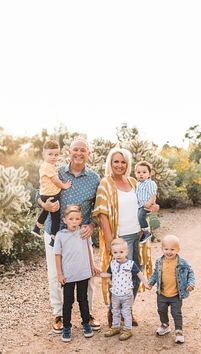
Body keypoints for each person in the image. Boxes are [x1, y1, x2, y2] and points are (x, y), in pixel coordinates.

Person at [38, 138, 101, 334]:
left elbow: (98, 208)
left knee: (88, 273)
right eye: (76, 149)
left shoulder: (94, 178)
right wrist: (44, 205)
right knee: (56, 275)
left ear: (88, 153)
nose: (79, 153)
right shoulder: (55, 170)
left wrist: (92, 224)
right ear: (69, 152)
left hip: (81, 234)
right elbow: (38, 192)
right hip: (55, 232)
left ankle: (87, 313)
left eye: (83, 150)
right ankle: (58, 314)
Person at [93, 147, 158, 327]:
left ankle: (127, 310)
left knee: (137, 274)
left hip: (139, 235)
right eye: (116, 161)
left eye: (123, 162)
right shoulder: (105, 184)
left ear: (128, 164)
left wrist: (154, 207)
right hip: (121, 238)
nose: (120, 165)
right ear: (110, 163)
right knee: (122, 276)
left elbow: (145, 204)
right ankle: (114, 310)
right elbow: (102, 213)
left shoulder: (133, 182)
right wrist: (110, 240)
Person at [54, 204, 97, 342]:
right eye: (71, 219)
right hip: (68, 276)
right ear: (64, 219)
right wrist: (60, 274)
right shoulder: (60, 235)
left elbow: (89, 250)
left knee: (82, 299)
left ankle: (85, 324)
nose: (74, 221)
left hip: (83, 273)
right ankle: (66, 326)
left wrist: (93, 266)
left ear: (81, 219)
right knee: (68, 302)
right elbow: (57, 255)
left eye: (77, 219)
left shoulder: (84, 231)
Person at [148, 234, 195, 344]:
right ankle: (165, 325)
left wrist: (191, 284)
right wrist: (150, 283)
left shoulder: (182, 263)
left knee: (176, 313)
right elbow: (155, 273)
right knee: (161, 310)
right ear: (162, 249)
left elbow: (191, 273)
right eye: (166, 249)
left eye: (172, 249)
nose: (169, 252)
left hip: (176, 295)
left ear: (178, 249)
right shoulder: (159, 261)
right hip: (162, 293)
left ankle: (179, 331)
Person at [100, 238, 150, 341]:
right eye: (115, 252)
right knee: (115, 311)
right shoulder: (112, 264)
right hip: (115, 294)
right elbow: (108, 274)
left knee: (126, 312)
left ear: (126, 252)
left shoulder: (131, 264)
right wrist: (99, 274)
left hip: (127, 294)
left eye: (121, 252)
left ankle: (128, 329)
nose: (118, 255)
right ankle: (115, 327)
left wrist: (145, 282)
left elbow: (139, 274)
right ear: (112, 253)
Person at [32, 139, 72, 247]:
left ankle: (37, 227)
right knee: (56, 218)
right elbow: (55, 180)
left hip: (46, 194)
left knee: (45, 212)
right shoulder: (48, 166)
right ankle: (53, 238)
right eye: (50, 154)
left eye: (56, 154)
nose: (54, 157)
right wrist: (64, 186)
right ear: (43, 154)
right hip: (51, 195)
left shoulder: (48, 166)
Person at [134, 160, 158, 244]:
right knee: (138, 216)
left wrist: (150, 202)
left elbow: (153, 194)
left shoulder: (150, 183)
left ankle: (146, 232)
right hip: (140, 205)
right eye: (138, 172)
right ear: (135, 174)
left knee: (140, 216)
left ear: (149, 174)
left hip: (146, 205)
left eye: (144, 172)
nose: (141, 174)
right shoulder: (138, 184)